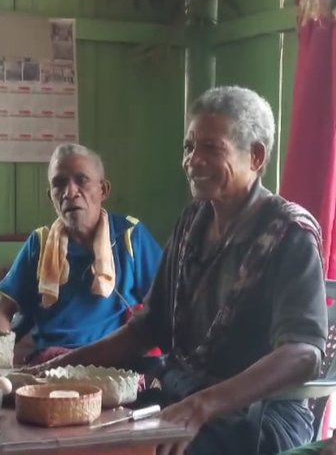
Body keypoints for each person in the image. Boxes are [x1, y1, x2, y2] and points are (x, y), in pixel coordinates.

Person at [22, 87, 328, 455]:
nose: (192, 160)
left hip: (256, 418)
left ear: (256, 156)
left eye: (211, 148)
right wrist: (49, 371)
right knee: (66, 437)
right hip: (180, 395)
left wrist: (203, 406)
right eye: (188, 147)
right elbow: (146, 328)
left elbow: (304, 352)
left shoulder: (289, 234)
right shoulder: (192, 222)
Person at [0, 143, 162, 364]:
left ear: (103, 190)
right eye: (59, 184)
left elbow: (166, 308)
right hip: (50, 365)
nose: (70, 193)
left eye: (81, 180)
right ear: (51, 197)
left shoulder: (130, 236)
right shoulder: (40, 243)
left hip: (113, 364)